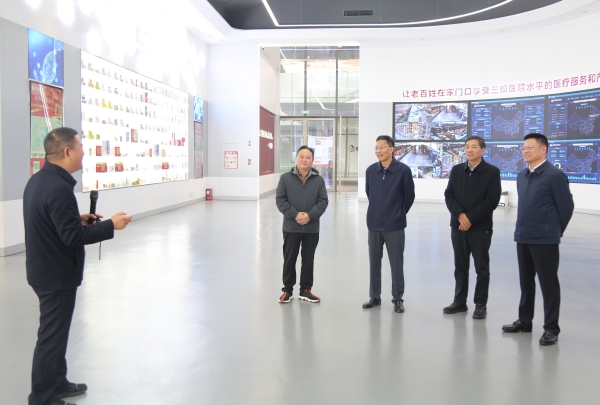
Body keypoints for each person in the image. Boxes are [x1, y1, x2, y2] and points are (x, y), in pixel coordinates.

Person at [23, 127, 133, 405]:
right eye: (80, 147)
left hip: (43, 269)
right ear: (67, 151)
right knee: (51, 337)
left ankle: (57, 382)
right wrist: (111, 225)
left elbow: (54, 224)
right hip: (56, 274)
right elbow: (71, 237)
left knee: (57, 333)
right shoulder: (59, 188)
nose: (84, 153)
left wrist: (77, 219)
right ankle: (42, 398)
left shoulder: (39, 181)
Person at [502, 133, 574, 346]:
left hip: (545, 240)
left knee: (548, 285)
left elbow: (566, 207)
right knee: (526, 283)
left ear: (543, 149)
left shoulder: (554, 175)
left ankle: (551, 328)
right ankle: (525, 321)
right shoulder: (522, 175)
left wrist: (553, 231)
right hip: (523, 236)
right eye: (523, 148)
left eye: (530, 147)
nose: (525, 151)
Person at [443, 136, 501, 319]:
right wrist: (460, 215)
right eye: (467, 146)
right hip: (458, 226)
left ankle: (480, 304)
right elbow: (449, 195)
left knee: (481, 267)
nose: (469, 150)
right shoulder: (457, 170)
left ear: (482, 150)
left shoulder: (491, 172)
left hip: (480, 227)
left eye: (474, 147)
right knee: (460, 266)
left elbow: (491, 200)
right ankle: (460, 301)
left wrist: (469, 218)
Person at [363, 135, 415, 313]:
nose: (378, 151)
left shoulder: (403, 170)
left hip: (395, 225)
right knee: (374, 263)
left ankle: (398, 298)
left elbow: (409, 196)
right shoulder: (371, 171)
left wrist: (398, 213)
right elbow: (369, 193)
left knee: (396, 263)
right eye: (376, 148)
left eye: (381, 147)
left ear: (391, 149)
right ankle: (374, 296)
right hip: (374, 224)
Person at [276, 145, 329, 303]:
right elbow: (280, 200)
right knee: (289, 259)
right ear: (296, 158)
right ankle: (287, 290)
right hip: (291, 227)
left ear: (312, 160)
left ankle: (305, 290)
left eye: (308, 157)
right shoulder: (285, 178)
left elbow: (323, 201)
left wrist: (310, 216)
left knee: (308, 260)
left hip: (311, 228)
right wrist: (295, 214)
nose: (304, 160)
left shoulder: (318, 180)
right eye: (301, 156)